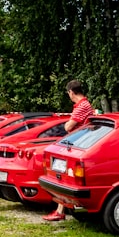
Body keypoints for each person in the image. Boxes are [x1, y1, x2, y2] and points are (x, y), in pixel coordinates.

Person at [43, 80, 94, 222]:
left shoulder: (82, 106)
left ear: (71, 92)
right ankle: (60, 210)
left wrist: (67, 124)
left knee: (64, 176)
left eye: (68, 93)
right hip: (78, 143)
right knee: (63, 176)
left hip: (78, 144)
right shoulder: (84, 104)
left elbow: (68, 127)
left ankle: (61, 211)